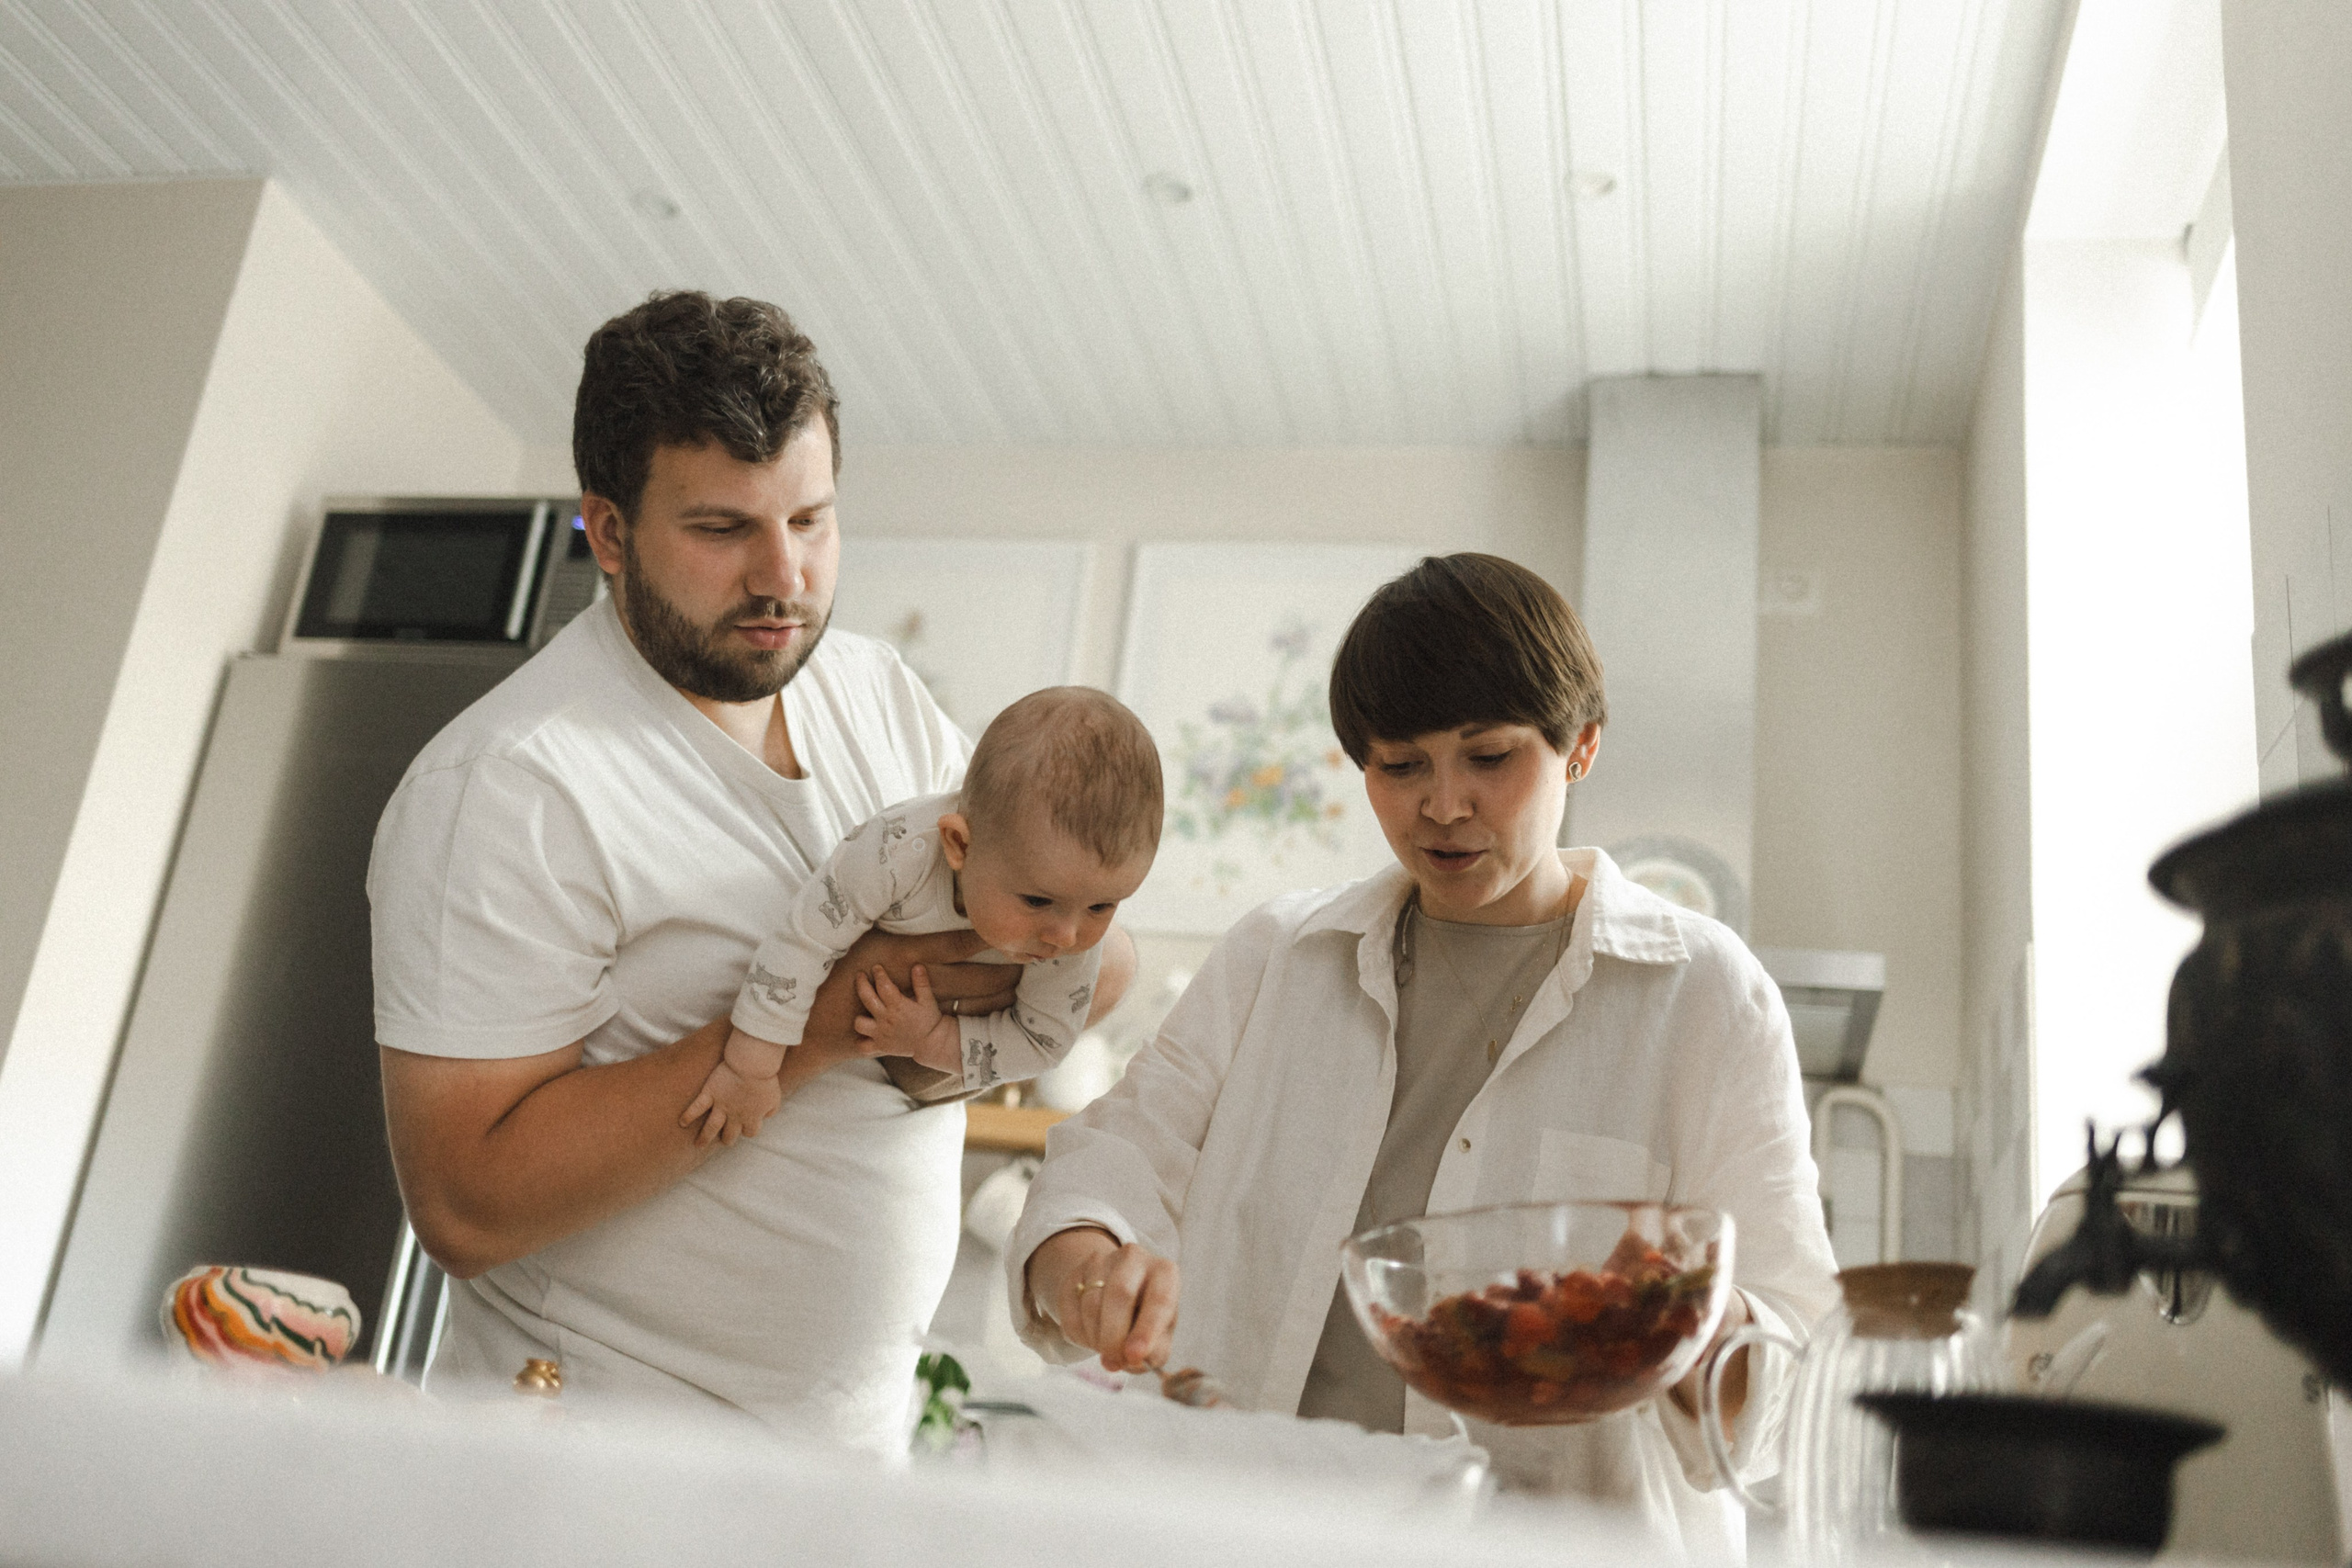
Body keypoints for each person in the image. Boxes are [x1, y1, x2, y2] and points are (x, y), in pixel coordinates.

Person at [367, 290, 1134, 1451]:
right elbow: (466, 1204)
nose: (785, 577)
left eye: (813, 521)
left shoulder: (875, 691)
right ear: (608, 533)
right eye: (723, 530)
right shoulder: (511, 784)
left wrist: (920, 1025)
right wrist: (822, 1022)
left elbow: (1075, 956)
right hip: (602, 1454)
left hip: (845, 1447)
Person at [1006, 553, 1837, 1555]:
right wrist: (1086, 1272)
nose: (1442, 806)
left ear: (1578, 750)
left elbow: (1796, 1357)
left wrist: (1679, 1321)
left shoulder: (1702, 992)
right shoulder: (1279, 955)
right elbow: (1109, 1162)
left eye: (1488, 758)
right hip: (1251, 1530)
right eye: (1400, 766)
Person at [685, 687, 1163, 1139]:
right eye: (1037, 901)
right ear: (958, 844)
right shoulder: (893, 852)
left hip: (945, 1054)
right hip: (846, 1011)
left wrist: (931, 1039)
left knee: (1112, 963)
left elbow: (1043, 1043)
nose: (1066, 934)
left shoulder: (1070, 927)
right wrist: (750, 1066)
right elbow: (803, 940)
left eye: (1103, 905)